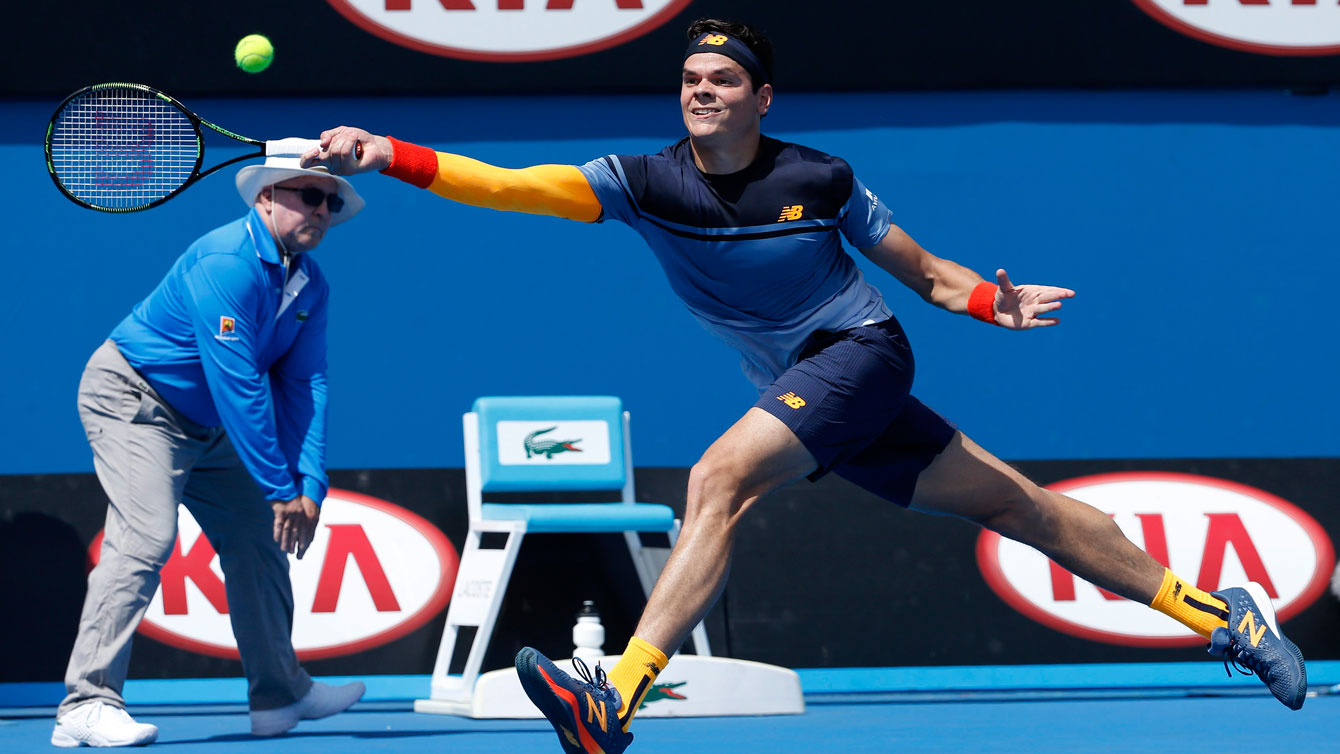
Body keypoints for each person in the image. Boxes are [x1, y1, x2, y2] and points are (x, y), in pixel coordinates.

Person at [304, 18, 1307, 754]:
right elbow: (512, 187)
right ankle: (1223, 614)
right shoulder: (641, 181)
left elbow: (924, 274)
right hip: (815, 387)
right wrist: (387, 153)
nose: (698, 91)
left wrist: (990, 305)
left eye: (720, 79)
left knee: (717, 477)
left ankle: (615, 694)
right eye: (689, 78)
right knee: (1018, 506)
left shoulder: (819, 181)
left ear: (760, 97)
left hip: (862, 353)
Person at [53, 150, 368, 747]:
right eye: (308, 195)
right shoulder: (226, 261)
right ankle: (85, 705)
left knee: (258, 537)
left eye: (330, 201)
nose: (322, 210)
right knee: (146, 537)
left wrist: (308, 485)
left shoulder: (310, 283)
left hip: (209, 423)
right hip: (135, 401)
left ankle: (280, 694)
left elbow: (305, 384)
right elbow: (237, 382)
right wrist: (280, 488)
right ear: (266, 197)